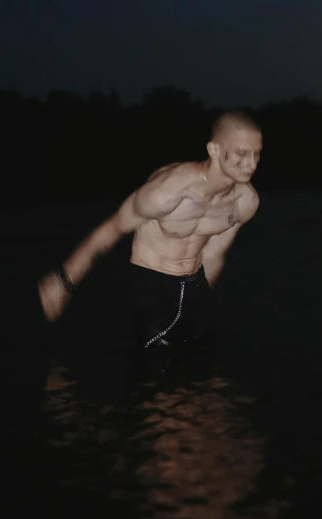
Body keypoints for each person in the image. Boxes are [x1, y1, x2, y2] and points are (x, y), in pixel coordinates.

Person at [38, 110, 262, 354]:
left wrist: (202, 302)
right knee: (161, 383)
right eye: (242, 153)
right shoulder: (166, 193)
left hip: (194, 286)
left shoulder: (244, 201)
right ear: (215, 150)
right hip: (153, 289)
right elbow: (110, 230)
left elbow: (215, 254)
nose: (252, 163)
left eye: (257, 154)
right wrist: (63, 281)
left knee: (205, 379)